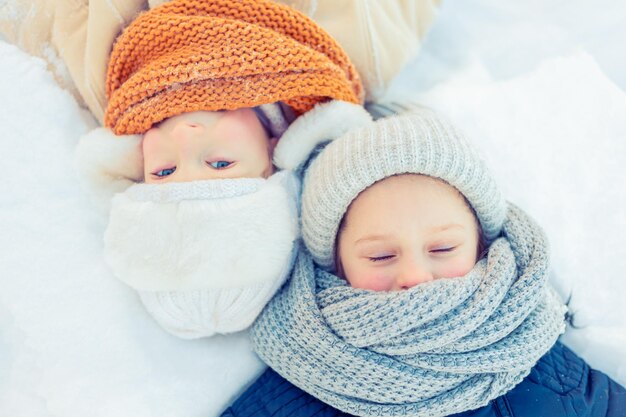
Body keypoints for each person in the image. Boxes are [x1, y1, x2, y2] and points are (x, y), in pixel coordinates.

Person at [223, 109, 626, 416]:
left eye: (442, 249)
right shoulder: (303, 372)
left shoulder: (539, 364)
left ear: (481, 244)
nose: (415, 277)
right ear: (337, 264)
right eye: (381, 255)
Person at [73, 0, 372, 339]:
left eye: (164, 171)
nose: (185, 138)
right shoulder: (350, 51)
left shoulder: (101, 66)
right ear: (276, 155)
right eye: (219, 164)